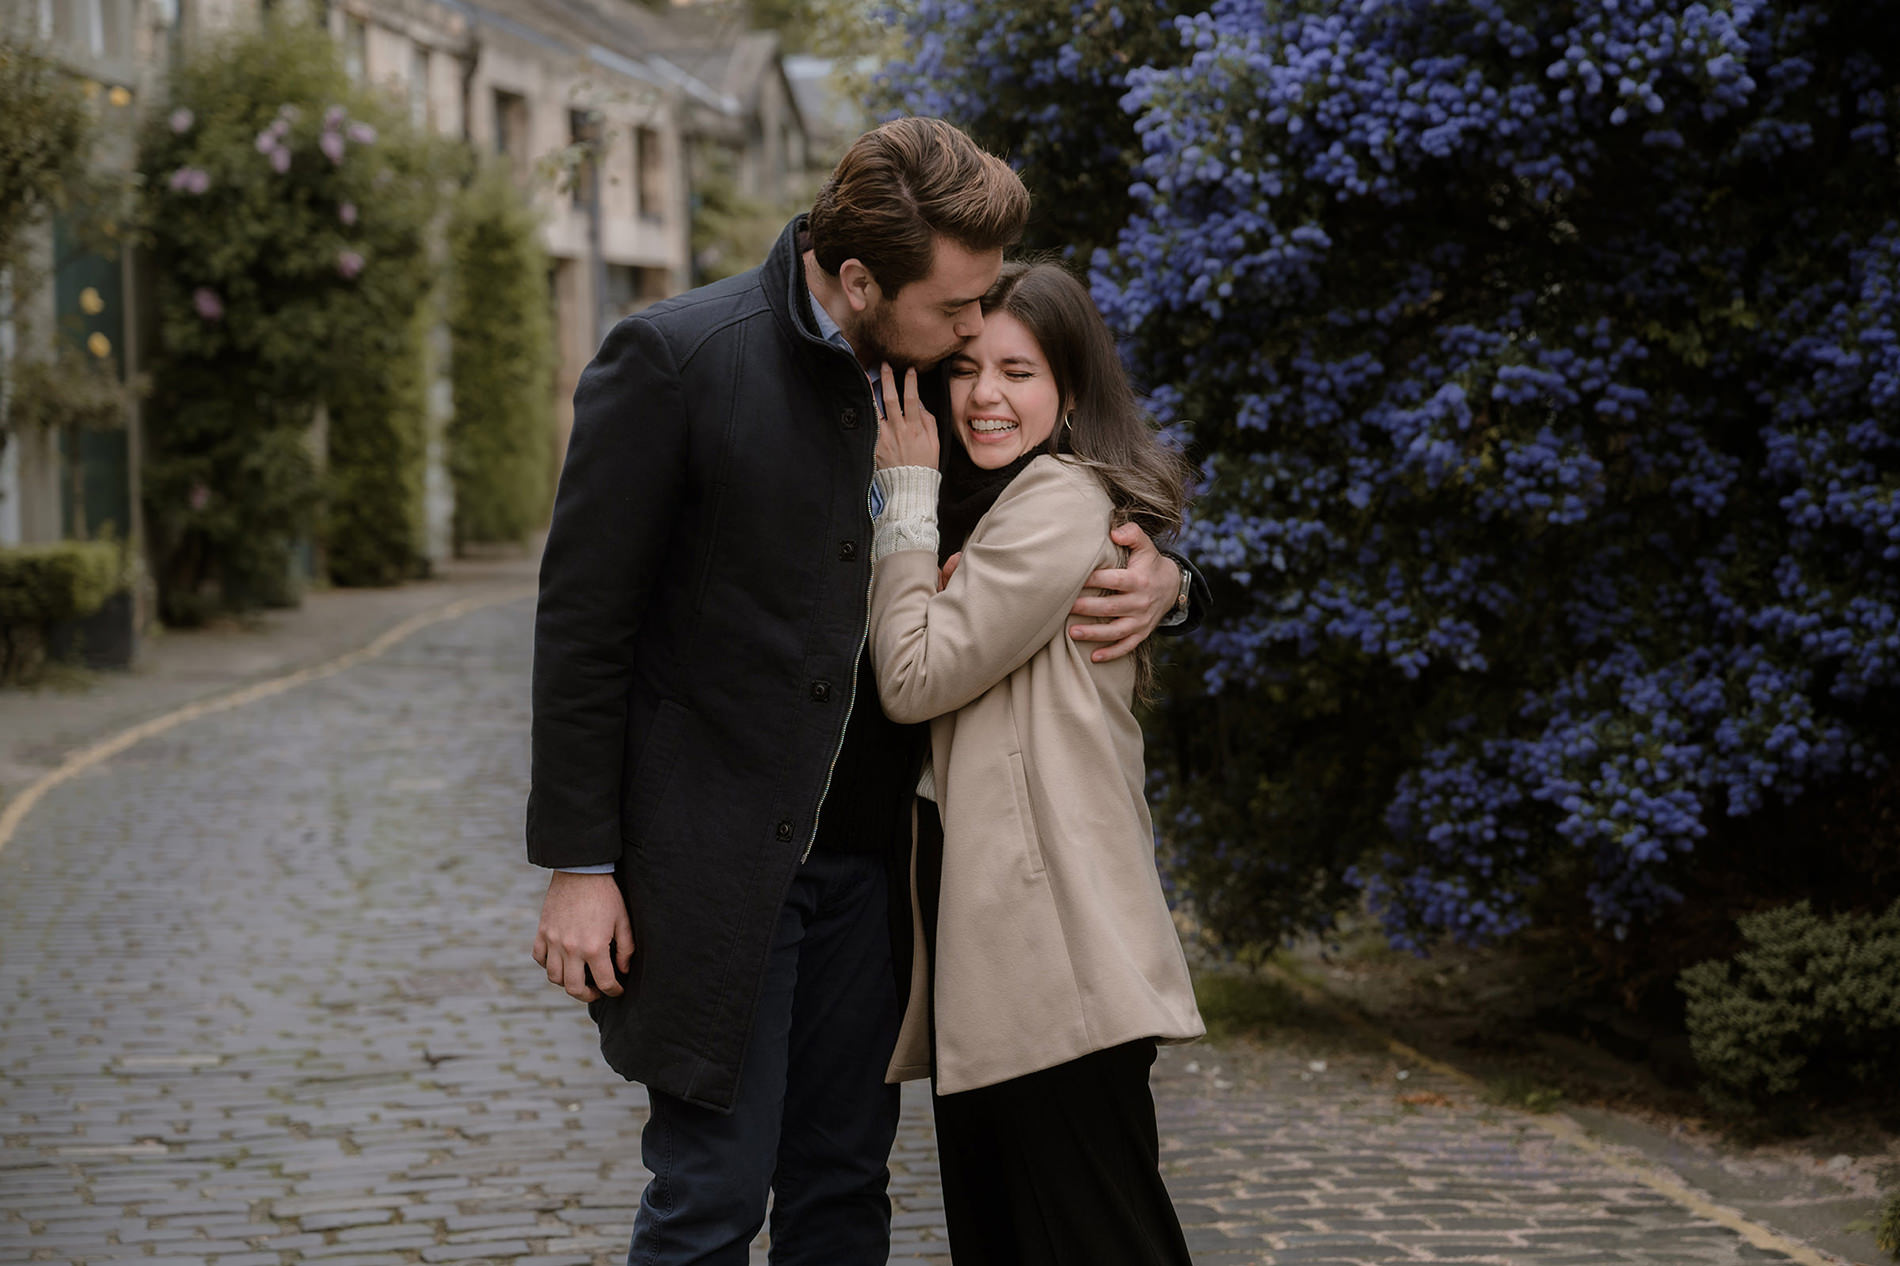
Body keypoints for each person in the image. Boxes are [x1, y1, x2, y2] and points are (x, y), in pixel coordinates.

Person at [526, 118, 1203, 1266]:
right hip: (715, 873)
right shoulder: (676, 360)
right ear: (857, 281)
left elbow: (1061, 494)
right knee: (711, 1199)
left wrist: (1172, 581)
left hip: (878, 881)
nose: (976, 333)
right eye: (957, 310)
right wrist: (579, 866)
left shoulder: (938, 363)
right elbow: (584, 631)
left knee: (844, 1194)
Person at [867, 259, 1205, 1266]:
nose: (985, 395)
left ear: (1070, 391)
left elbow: (912, 677)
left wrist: (906, 499)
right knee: (1015, 1235)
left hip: (1049, 944)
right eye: (966, 367)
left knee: (1098, 1235)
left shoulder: (1053, 497)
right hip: (998, 938)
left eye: (1019, 372)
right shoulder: (993, 505)